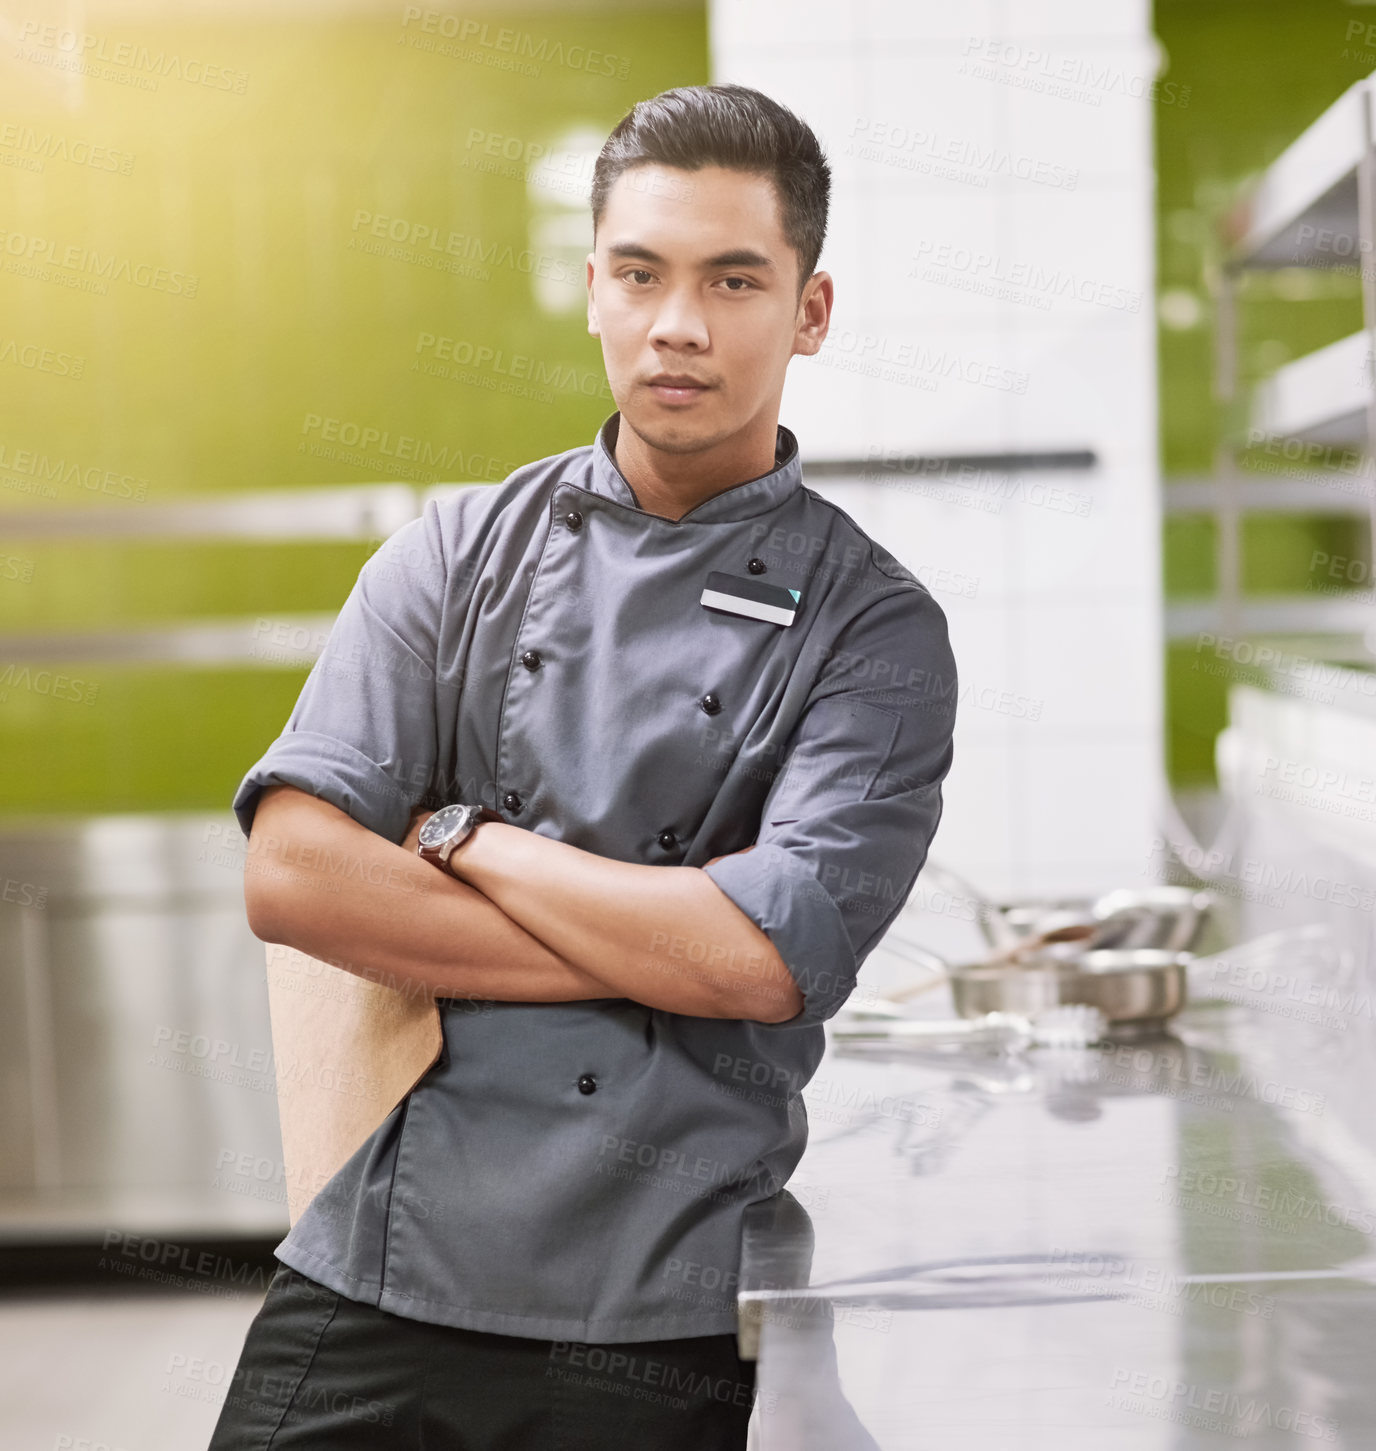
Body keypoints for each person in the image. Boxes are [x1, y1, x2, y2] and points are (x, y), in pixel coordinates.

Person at [208, 81, 957, 1450]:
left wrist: (463, 840)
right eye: (641, 272)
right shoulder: (455, 555)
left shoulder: (877, 627)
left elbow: (766, 965)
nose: (680, 324)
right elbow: (295, 876)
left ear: (811, 311)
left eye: (736, 278)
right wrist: (669, 943)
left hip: (663, 1306)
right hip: (386, 1260)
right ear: (596, 290)